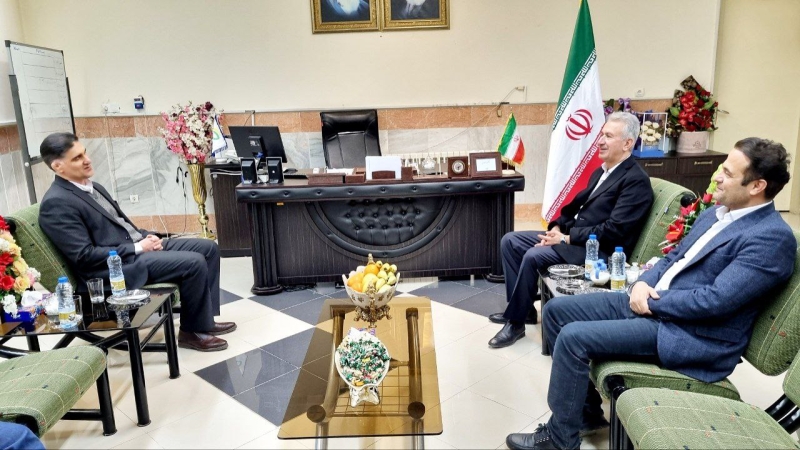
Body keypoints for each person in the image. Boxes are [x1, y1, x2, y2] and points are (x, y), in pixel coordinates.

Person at [505, 137, 796, 450]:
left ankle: (560, 440)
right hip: (655, 303)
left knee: (573, 338)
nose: (718, 177)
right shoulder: (716, 213)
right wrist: (642, 284)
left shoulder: (769, 238)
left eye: (728, 172)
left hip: (692, 333)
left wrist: (652, 303)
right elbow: (674, 257)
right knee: (556, 312)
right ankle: (586, 412)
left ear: (757, 186)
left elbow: (716, 300)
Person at [38, 132, 236, 352]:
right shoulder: (57, 202)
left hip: (135, 248)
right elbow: (84, 256)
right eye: (77, 158)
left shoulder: (92, 186)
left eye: (84, 153)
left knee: (208, 248)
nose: (87, 160)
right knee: (194, 262)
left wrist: (148, 236)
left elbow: (121, 225)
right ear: (58, 167)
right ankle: (191, 332)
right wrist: (139, 247)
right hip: (115, 268)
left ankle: (205, 321)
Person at [488, 112, 654, 348]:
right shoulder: (602, 171)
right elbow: (576, 210)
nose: (600, 141)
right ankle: (524, 311)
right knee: (510, 241)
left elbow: (614, 230)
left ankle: (515, 324)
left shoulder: (635, 180)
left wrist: (565, 238)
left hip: (599, 252)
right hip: (574, 240)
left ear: (627, 143)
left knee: (534, 255)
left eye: (608, 136)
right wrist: (557, 228)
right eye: (601, 135)